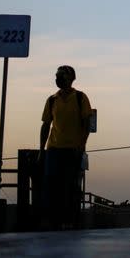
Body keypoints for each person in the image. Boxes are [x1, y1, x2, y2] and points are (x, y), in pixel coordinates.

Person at [39, 65, 92, 229]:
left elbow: (87, 124)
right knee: (52, 187)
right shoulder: (51, 100)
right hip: (53, 150)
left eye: (61, 75)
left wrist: (82, 145)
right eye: (56, 75)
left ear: (70, 78)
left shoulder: (80, 98)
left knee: (71, 187)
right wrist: (42, 149)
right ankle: (53, 222)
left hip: (73, 150)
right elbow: (46, 125)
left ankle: (70, 221)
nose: (58, 78)